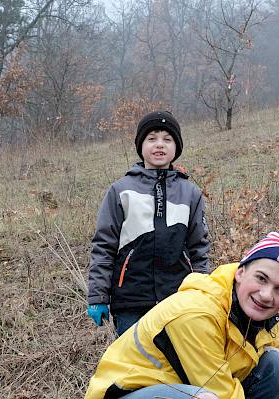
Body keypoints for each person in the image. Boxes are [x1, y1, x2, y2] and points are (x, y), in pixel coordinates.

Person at [84, 232, 279, 399]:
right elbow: (221, 393)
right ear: (241, 272)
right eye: (261, 278)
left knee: (278, 364)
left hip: (189, 387)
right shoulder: (197, 313)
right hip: (129, 393)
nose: (266, 295)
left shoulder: (268, 323)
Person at [86, 110, 211, 337]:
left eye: (167, 139)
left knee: (177, 367)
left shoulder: (190, 193)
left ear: (177, 147)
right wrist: (98, 297)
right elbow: (103, 247)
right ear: (141, 145)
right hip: (130, 301)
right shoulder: (121, 190)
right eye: (151, 138)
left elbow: (199, 249)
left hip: (178, 301)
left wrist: (201, 293)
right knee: (133, 368)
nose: (159, 145)